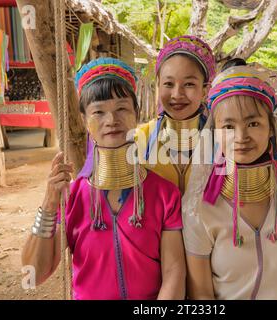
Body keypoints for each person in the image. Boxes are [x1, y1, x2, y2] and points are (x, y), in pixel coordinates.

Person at [22, 58, 185, 300]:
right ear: (85, 121)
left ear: (136, 114)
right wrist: (49, 205)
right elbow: (33, 277)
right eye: (98, 111)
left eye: (122, 108)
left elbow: (173, 271)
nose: (111, 120)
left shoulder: (165, 194)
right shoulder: (72, 197)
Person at [182, 65, 277, 300]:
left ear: (271, 130)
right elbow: (201, 295)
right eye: (228, 126)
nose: (241, 137)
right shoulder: (199, 207)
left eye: (253, 123)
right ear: (215, 133)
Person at [137, 35, 216, 194]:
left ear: (205, 90)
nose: (177, 94)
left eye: (189, 84)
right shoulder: (138, 139)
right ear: (158, 85)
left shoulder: (222, 142)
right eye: (168, 84)